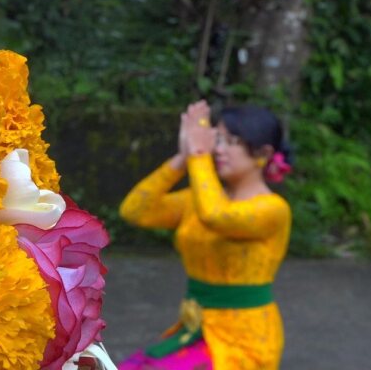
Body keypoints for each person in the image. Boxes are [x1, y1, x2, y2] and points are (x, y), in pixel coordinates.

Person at [118, 101, 292, 370]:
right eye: (217, 140)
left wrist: (199, 156)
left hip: (245, 340)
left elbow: (215, 216)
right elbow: (135, 211)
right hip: (197, 329)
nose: (218, 150)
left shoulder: (273, 210)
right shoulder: (198, 201)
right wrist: (183, 156)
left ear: (263, 153)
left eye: (230, 142)